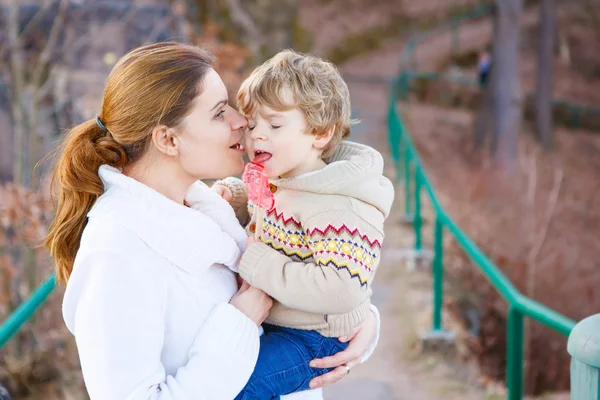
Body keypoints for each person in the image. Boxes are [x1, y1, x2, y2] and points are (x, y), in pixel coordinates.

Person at [43, 42, 380, 400]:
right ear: (169, 140)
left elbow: (314, 268)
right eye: (220, 113)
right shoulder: (116, 253)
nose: (242, 122)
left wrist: (362, 321)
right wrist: (240, 322)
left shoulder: (211, 206)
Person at [212, 50, 394, 399]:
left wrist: (257, 263)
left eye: (275, 125)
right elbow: (264, 214)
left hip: (313, 338)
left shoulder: (339, 205)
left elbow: (342, 288)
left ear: (321, 134)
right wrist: (236, 198)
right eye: (251, 124)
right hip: (280, 323)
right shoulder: (283, 177)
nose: (256, 136)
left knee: (239, 386)